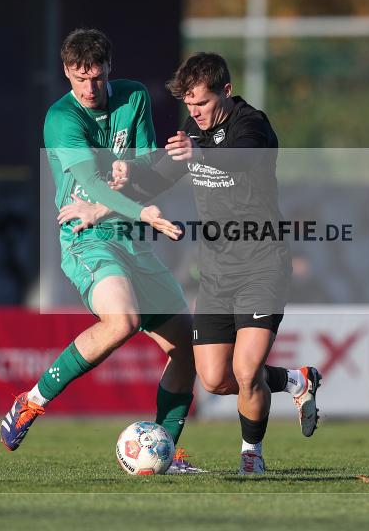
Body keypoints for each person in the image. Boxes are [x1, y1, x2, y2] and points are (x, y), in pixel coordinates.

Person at [104, 52, 322, 475]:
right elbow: (161, 176)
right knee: (215, 379)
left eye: (202, 103)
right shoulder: (194, 132)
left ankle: (251, 454)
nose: (196, 112)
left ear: (226, 90)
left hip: (262, 265)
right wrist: (117, 191)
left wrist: (197, 152)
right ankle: (296, 380)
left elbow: (242, 159)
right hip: (217, 273)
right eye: (189, 105)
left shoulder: (252, 124)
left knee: (246, 370)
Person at [0, 28, 202, 473]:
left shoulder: (134, 96)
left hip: (130, 237)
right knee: (122, 320)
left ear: (110, 68)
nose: (89, 88)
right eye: (79, 78)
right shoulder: (61, 118)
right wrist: (143, 211)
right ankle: (30, 402)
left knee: (187, 349)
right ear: (66, 72)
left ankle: (165, 448)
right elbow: (90, 184)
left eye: (97, 77)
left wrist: (132, 167)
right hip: (85, 235)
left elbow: (147, 157)